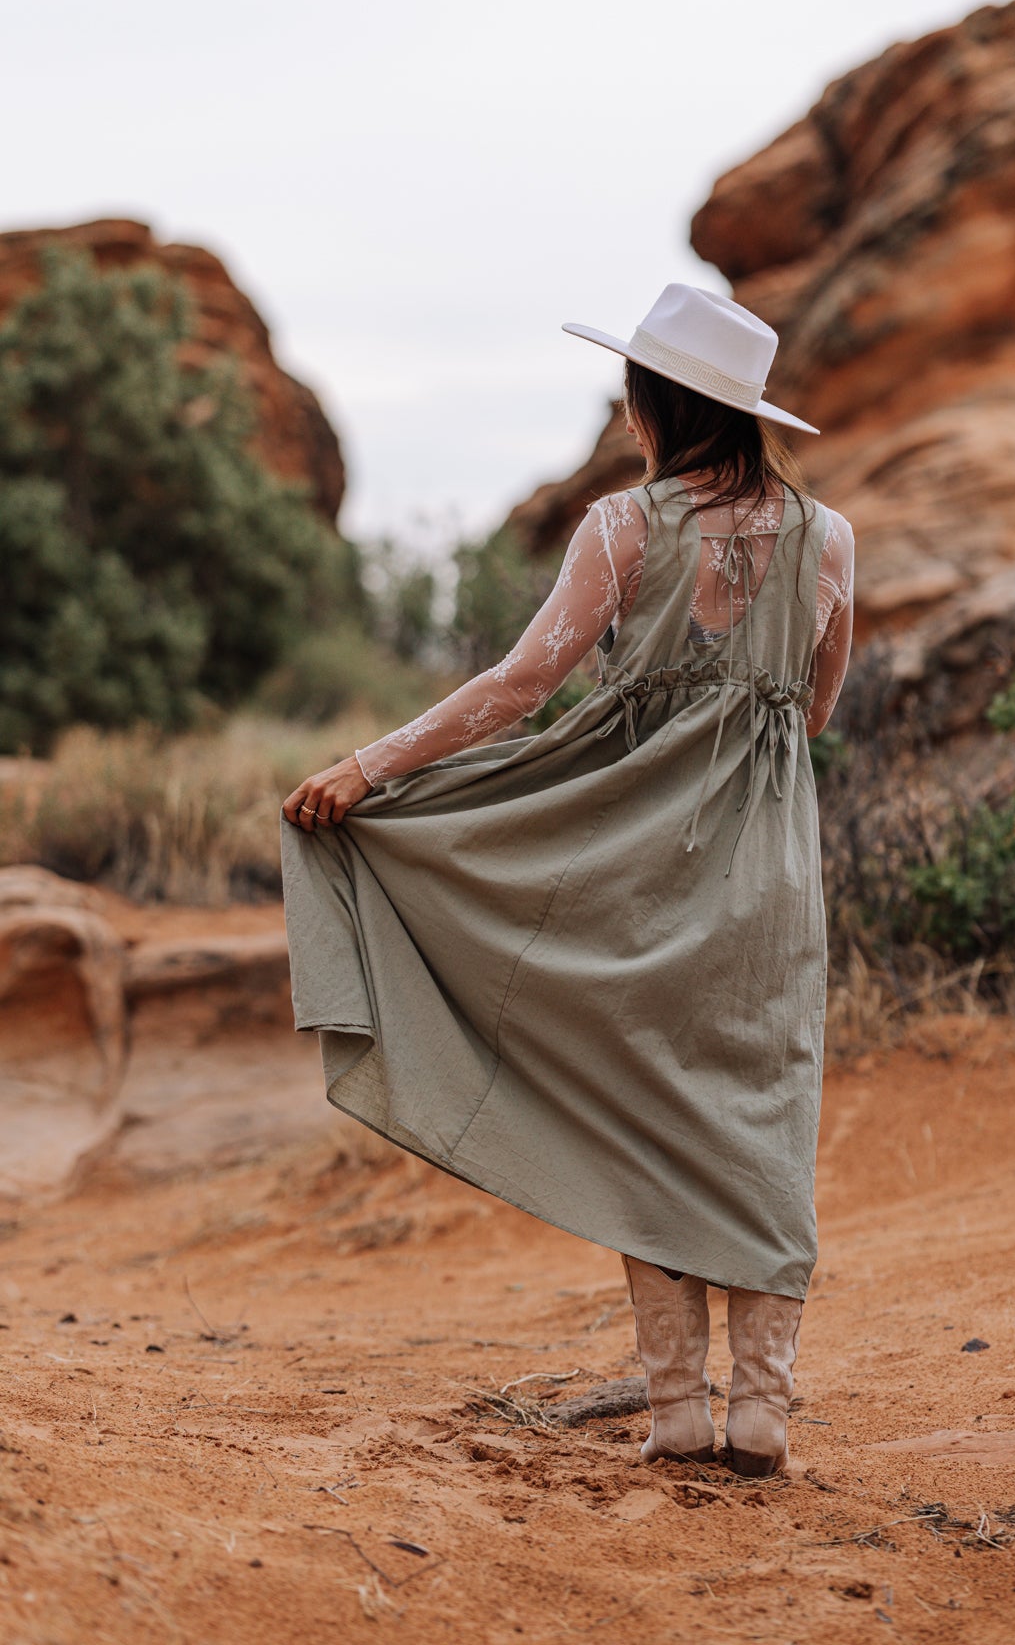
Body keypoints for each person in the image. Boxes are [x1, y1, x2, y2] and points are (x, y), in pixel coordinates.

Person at [281, 283, 854, 1476]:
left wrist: (366, 768)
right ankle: (761, 1409)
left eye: (630, 387)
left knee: (632, 1099)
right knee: (763, 1107)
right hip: (767, 865)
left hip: (623, 859)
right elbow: (810, 708)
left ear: (657, 401)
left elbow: (515, 688)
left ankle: (676, 1410)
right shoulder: (828, 538)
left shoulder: (619, 528)